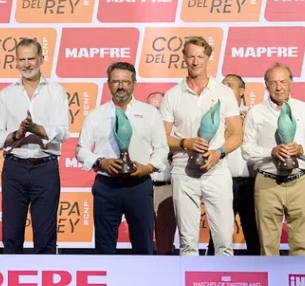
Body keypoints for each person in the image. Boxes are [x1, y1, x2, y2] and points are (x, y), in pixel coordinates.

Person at [160, 37, 242, 256]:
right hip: (183, 171)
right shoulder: (172, 95)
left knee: (224, 241)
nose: (196, 61)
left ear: (208, 58)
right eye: (191, 56)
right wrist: (186, 143)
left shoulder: (223, 92)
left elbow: (237, 133)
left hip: (217, 170)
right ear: (184, 59)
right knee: (187, 243)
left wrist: (219, 152)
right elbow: (162, 138)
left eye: (200, 56)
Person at [78, 62, 168, 254]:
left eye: (126, 82)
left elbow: (162, 148)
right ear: (108, 84)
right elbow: (81, 149)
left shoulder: (150, 113)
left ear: (134, 83)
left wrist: (149, 167)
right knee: (104, 247)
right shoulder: (96, 115)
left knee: (144, 244)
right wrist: (100, 162)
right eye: (116, 81)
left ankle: (143, 282)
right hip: (106, 186)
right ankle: (107, 283)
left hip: (139, 185)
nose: (121, 86)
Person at [0, 38, 69, 254]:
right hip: (14, 167)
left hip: (46, 167)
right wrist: (16, 134)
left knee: (45, 236)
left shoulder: (56, 91)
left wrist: (36, 128)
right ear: (16, 62)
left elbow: (62, 131)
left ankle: (47, 284)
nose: (27, 64)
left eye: (31, 59)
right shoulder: (6, 94)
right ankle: (10, 285)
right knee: (12, 235)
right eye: (22, 59)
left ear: (41, 59)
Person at [241, 64, 305, 256]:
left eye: (283, 82)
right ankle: (272, 285)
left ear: (291, 83)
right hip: (267, 182)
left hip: (300, 182)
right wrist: (270, 151)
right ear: (266, 85)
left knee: (302, 246)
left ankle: (299, 281)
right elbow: (247, 149)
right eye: (273, 82)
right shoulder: (256, 112)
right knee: (268, 247)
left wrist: (302, 149)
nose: (279, 87)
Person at [221, 74, 259, 254]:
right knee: (219, 233)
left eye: (231, 85)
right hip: (223, 181)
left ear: (242, 91)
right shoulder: (215, 117)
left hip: (250, 183)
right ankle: (211, 274)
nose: (226, 87)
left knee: (254, 233)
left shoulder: (254, 114)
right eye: (223, 84)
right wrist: (230, 131)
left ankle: (260, 275)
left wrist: (247, 127)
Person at [146, 91, 175, 254]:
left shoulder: (174, 132)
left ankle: (167, 272)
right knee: (142, 234)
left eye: (159, 108)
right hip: (142, 186)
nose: (156, 113)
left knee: (165, 238)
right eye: (152, 108)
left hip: (166, 187)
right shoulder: (136, 130)